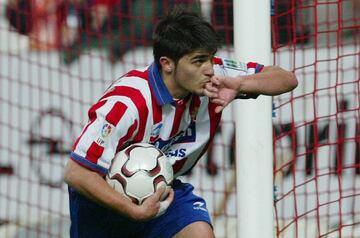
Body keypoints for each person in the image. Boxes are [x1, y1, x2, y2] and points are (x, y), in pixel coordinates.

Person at [64, 7, 298, 238]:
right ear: (167, 64)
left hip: (163, 191)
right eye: (198, 61)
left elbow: (286, 78)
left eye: (209, 58)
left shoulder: (217, 77)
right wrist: (134, 211)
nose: (208, 69)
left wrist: (240, 85)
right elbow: (77, 173)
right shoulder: (127, 103)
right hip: (103, 202)